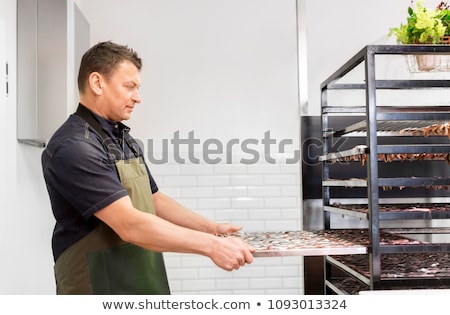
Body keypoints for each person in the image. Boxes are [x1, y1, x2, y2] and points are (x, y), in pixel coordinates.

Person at [41, 41, 255, 295]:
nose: (137, 98)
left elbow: (155, 199)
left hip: (141, 280)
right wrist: (210, 246)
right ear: (97, 83)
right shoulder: (74, 146)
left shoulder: (122, 138)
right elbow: (129, 224)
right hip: (99, 286)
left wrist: (210, 229)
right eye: (129, 87)